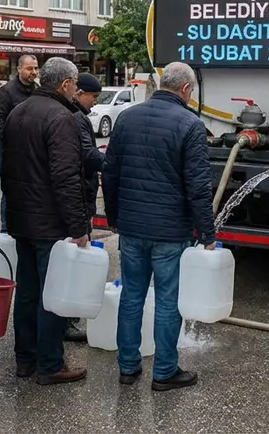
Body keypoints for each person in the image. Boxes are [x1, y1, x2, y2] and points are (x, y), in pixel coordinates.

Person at [103, 61, 216, 391]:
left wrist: (114, 218)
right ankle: (165, 371)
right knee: (168, 301)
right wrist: (207, 233)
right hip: (170, 231)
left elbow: (109, 173)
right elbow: (198, 186)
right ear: (186, 89)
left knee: (131, 297)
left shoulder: (127, 118)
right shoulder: (190, 124)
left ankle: (128, 367)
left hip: (132, 227)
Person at [1, 56, 88, 385]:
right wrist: (77, 227)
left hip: (21, 218)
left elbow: (6, 166)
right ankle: (50, 364)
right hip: (48, 222)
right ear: (65, 84)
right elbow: (66, 177)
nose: (76, 89)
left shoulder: (18, 112)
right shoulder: (61, 117)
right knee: (51, 293)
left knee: (27, 291)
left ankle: (25, 359)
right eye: (75, 84)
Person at [62, 72, 107, 343]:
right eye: (93, 96)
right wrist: (110, 161)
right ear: (79, 93)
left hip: (78, 197)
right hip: (78, 198)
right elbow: (87, 155)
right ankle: (67, 320)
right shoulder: (77, 118)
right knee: (75, 259)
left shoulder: (75, 115)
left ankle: (67, 317)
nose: (95, 102)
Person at [0, 54, 39, 232]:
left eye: (35, 68)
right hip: (10, 153)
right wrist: (14, 139)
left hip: (33, 152)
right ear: (19, 69)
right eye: (29, 68)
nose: (33, 72)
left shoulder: (37, 90)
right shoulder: (7, 91)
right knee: (10, 191)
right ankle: (6, 230)